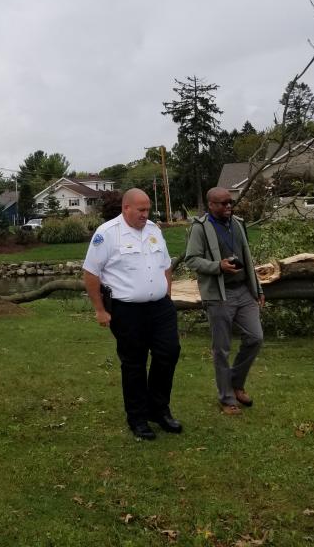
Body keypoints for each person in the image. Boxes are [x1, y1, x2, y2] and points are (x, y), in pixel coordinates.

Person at [82, 188, 181, 441]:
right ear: (126, 208)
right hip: (127, 311)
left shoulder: (154, 231)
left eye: (148, 209)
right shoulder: (107, 234)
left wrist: (166, 296)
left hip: (160, 308)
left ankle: (159, 409)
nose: (146, 215)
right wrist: (100, 310)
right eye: (141, 210)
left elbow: (166, 265)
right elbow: (91, 273)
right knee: (134, 363)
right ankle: (137, 417)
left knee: (168, 353)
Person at [184, 187, 265, 416]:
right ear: (211, 205)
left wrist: (257, 288)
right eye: (223, 203)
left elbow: (248, 258)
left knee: (255, 337)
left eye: (230, 202)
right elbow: (191, 260)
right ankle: (227, 398)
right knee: (222, 348)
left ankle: (236, 383)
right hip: (219, 295)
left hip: (243, 291)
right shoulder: (200, 228)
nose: (229, 206)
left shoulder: (238, 223)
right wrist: (217, 266)